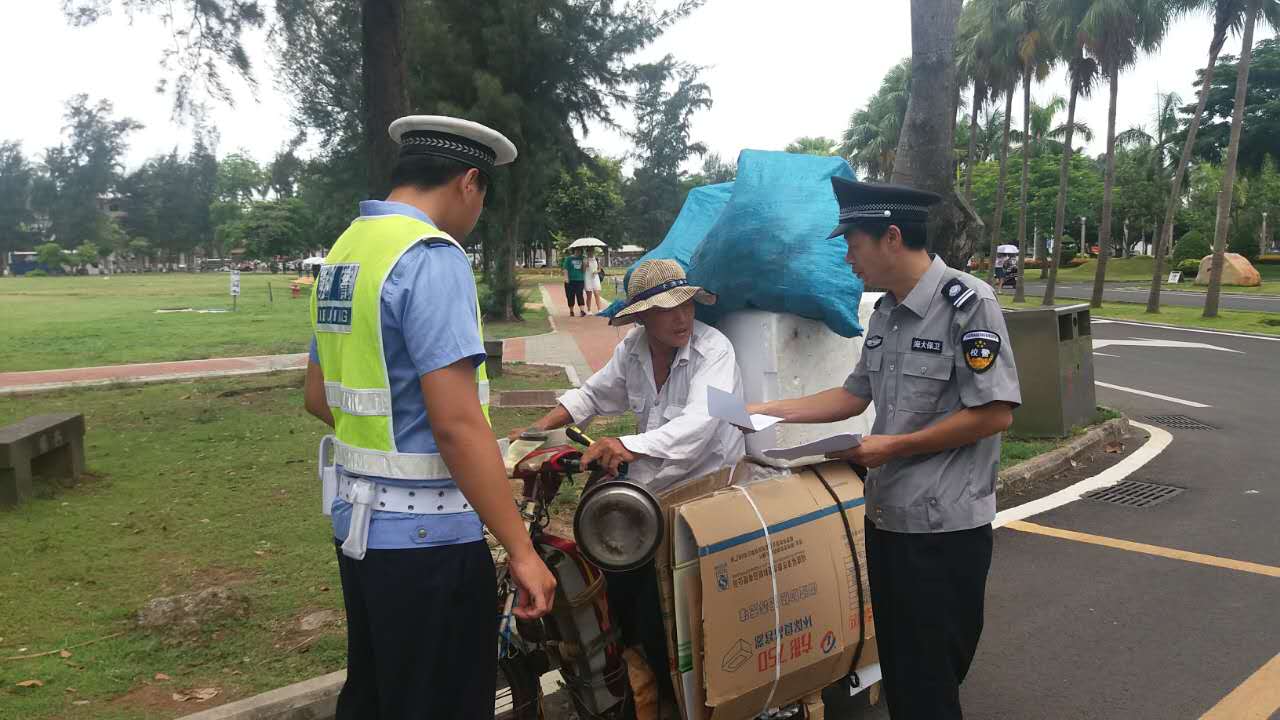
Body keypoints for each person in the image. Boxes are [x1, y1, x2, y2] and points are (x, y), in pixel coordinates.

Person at [303, 115, 556, 720]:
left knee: (377, 697)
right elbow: (456, 425)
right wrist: (521, 550)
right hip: (429, 542)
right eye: (483, 196)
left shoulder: (345, 253)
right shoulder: (431, 257)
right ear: (468, 182)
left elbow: (317, 395)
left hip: (359, 531)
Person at [748, 179, 1021, 720]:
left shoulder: (969, 304)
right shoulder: (884, 313)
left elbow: (995, 413)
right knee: (900, 670)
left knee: (930, 681)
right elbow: (854, 395)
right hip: (887, 521)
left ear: (892, 237)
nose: (847, 257)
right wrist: (767, 410)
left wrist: (892, 447)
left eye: (853, 244)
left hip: (943, 533)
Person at [509, 258, 746, 715]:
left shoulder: (715, 350)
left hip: (706, 489)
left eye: (686, 305)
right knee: (615, 585)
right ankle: (636, 685)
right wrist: (538, 430)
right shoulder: (633, 349)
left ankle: (675, 695)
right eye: (666, 310)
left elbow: (699, 426)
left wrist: (625, 445)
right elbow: (591, 396)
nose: (682, 317)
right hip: (650, 491)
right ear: (641, 316)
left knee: (664, 609)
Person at [562, 247, 587, 316]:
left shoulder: (583, 258)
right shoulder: (569, 258)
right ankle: (571, 311)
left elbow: (583, 270)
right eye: (577, 250)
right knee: (570, 295)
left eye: (580, 250)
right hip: (570, 280)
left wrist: (584, 263)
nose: (578, 251)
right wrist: (566, 278)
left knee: (579, 294)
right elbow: (565, 269)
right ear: (574, 250)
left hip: (580, 280)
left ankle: (582, 311)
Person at [583, 248, 603, 313]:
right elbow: (583, 270)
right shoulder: (585, 260)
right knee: (589, 295)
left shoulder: (597, 259)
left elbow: (599, 269)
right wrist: (585, 265)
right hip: (587, 277)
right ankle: (589, 310)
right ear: (587, 252)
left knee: (597, 293)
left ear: (593, 252)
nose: (590, 253)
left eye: (591, 251)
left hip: (595, 277)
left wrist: (596, 272)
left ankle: (599, 309)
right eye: (588, 251)